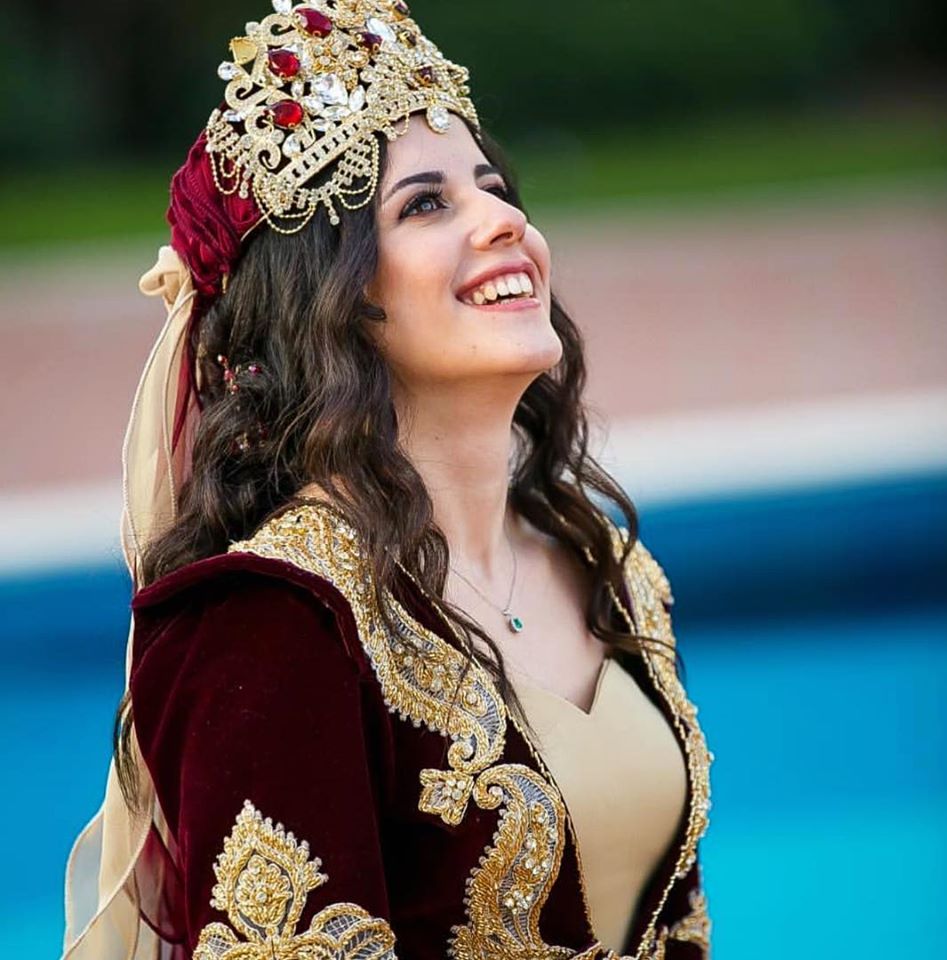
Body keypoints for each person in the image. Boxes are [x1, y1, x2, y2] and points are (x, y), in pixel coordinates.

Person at [61, 2, 713, 957]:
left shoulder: (603, 562)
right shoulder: (273, 625)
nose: (506, 220)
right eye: (426, 205)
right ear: (328, 300)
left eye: (494, 187)